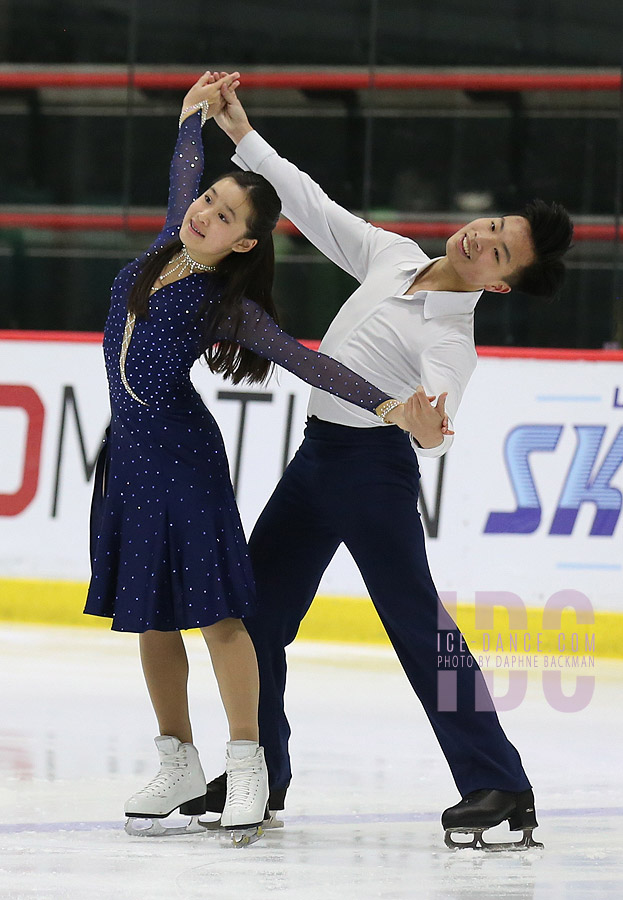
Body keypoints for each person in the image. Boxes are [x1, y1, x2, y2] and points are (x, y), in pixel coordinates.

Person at [207, 76, 574, 850]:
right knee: (255, 614)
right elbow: (309, 205)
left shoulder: (451, 339)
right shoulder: (395, 256)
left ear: (499, 281)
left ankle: (499, 780)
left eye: (497, 251)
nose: (480, 238)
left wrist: (422, 424)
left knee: (417, 626)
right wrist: (242, 135)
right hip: (317, 461)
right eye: (493, 225)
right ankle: (264, 771)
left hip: (372, 473)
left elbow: (437, 424)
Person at [83, 72, 415, 846]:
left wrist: (391, 407)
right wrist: (188, 120)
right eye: (208, 203)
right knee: (148, 621)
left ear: (245, 242)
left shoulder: (224, 306)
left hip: (185, 467)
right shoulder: (171, 240)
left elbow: (309, 364)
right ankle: (179, 761)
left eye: (226, 215)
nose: (205, 212)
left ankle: (248, 761)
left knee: (218, 617)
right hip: (127, 464)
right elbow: (184, 179)